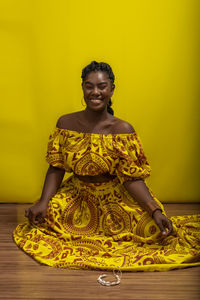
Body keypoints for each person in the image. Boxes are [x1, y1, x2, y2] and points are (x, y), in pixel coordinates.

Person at [13, 61, 200, 271]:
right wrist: (44, 202)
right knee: (48, 216)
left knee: (153, 230)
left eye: (102, 86)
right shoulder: (65, 124)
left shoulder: (122, 129)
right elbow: (56, 167)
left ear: (111, 90)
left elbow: (132, 178)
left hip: (114, 199)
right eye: (89, 86)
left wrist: (155, 211)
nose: (95, 92)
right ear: (82, 88)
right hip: (77, 197)